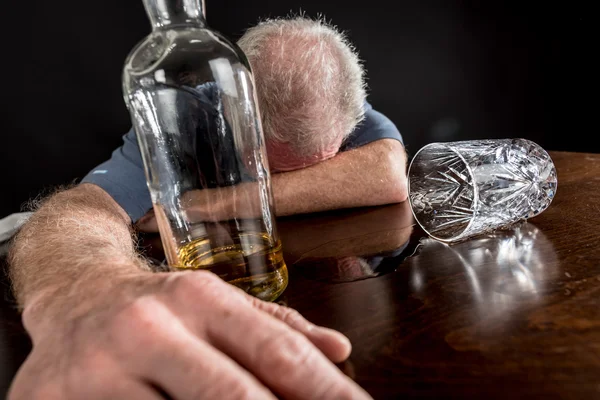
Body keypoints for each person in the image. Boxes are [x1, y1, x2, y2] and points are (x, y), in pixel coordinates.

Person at [7, 17, 407, 399]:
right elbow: (83, 209)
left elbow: (389, 173)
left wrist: (208, 204)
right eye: (262, 161)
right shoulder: (182, 115)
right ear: (230, 104)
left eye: (319, 163)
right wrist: (86, 293)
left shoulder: (333, 103)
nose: (274, 175)